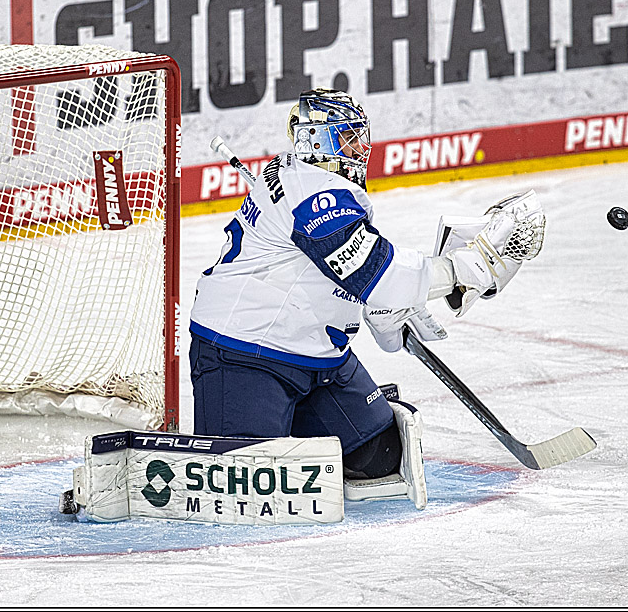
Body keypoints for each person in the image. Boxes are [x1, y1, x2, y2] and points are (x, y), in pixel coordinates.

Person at [188, 88, 538, 508]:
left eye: (361, 136)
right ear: (315, 141)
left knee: (381, 458)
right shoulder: (315, 196)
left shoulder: (317, 183)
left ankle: (293, 421)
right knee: (246, 485)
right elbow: (372, 271)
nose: (362, 148)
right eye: (348, 137)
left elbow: (338, 270)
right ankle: (274, 425)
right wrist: (461, 270)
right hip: (246, 351)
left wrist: (380, 309)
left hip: (318, 355)